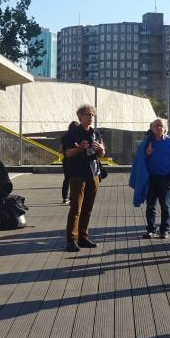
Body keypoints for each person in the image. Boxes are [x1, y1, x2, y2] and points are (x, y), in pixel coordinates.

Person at [62, 104, 104, 252]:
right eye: (88, 114)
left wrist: (101, 150)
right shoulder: (73, 133)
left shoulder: (96, 132)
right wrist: (79, 148)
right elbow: (67, 154)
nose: (91, 117)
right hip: (78, 175)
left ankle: (83, 237)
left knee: (88, 207)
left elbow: (101, 154)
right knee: (76, 208)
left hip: (93, 174)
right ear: (80, 117)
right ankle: (71, 240)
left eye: (92, 114)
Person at [142, 118, 170, 239]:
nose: (158, 127)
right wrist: (147, 154)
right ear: (152, 128)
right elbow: (141, 162)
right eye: (156, 125)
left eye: (161, 125)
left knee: (165, 206)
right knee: (150, 205)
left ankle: (164, 230)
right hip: (151, 178)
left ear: (165, 128)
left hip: (165, 178)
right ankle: (151, 229)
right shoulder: (148, 142)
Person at [60, 121, 78, 204]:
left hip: (66, 160)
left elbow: (60, 150)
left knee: (67, 179)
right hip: (76, 160)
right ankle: (74, 197)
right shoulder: (78, 136)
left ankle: (65, 198)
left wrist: (65, 153)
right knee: (77, 179)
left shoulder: (64, 137)